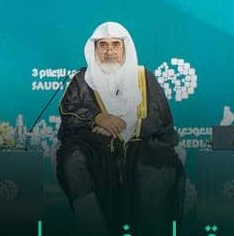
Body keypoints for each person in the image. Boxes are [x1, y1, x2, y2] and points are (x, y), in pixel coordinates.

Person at [56, 21, 184, 236]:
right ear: (94, 49)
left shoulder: (144, 77)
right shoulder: (82, 79)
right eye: (103, 45)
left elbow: (161, 118)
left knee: (155, 165)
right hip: (95, 145)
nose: (109, 51)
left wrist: (126, 128)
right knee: (75, 157)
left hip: (142, 144)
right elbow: (69, 113)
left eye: (115, 44)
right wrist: (96, 119)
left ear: (125, 48)